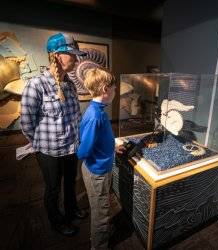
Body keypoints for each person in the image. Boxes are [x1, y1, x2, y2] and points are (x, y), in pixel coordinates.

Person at [20, 32, 88, 237]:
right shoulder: (36, 85)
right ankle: (56, 222)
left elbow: (75, 116)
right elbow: (26, 123)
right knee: (52, 188)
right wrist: (41, 144)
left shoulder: (71, 85)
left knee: (70, 181)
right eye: (72, 54)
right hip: (49, 152)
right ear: (56, 55)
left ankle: (71, 209)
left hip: (71, 147)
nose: (76, 59)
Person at [77, 67, 125, 249]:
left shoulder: (98, 110)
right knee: (101, 213)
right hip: (96, 172)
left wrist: (112, 148)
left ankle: (101, 234)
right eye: (114, 88)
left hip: (101, 167)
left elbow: (100, 139)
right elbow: (83, 151)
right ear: (105, 89)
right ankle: (99, 245)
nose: (115, 91)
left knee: (102, 206)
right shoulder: (95, 116)